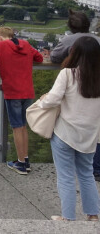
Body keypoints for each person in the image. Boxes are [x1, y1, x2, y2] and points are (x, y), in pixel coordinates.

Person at [35, 36, 100, 222]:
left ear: (75, 53)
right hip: (89, 135)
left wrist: (41, 102)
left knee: (65, 177)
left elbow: (53, 99)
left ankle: (68, 218)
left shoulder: (68, 74)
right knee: (86, 173)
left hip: (65, 133)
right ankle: (93, 215)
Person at [0, 26, 42, 175]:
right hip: (28, 91)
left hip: (13, 92)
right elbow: (39, 58)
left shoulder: (0, 45)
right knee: (23, 126)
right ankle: (25, 160)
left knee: (17, 127)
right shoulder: (25, 44)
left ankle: (21, 164)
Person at [49, 9, 100, 178]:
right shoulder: (96, 40)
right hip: (96, 87)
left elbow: (54, 57)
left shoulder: (69, 40)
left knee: (66, 175)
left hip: (75, 89)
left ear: (71, 26)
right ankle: (96, 168)